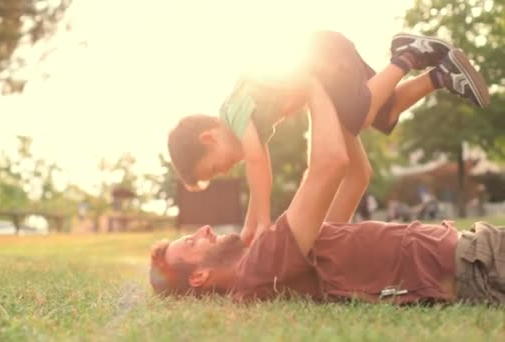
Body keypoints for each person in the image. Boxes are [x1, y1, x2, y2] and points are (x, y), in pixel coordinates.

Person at [150, 72, 503, 306]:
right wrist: (313, 87)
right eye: (192, 243)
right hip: (474, 264)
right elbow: (330, 163)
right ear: (199, 276)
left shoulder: (287, 259)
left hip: (471, 252)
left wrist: (327, 107)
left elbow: (355, 176)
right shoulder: (257, 268)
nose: (205, 231)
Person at [167, 31, 490, 245]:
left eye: (213, 168)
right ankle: (441, 75)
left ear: (209, 138)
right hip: (327, 61)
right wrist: (250, 227)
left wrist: (262, 223)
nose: (224, 171)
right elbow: (260, 174)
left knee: (358, 115)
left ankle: (409, 55)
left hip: (322, 59)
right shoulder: (251, 122)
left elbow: (257, 167)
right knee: (383, 112)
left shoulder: (234, 112)